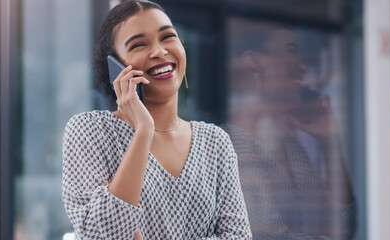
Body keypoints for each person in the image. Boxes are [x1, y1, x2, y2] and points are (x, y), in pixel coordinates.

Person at [61, 1, 252, 239]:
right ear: (116, 67)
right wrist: (143, 131)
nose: (160, 52)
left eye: (168, 37)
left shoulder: (215, 143)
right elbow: (101, 236)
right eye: (139, 44)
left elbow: (238, 237)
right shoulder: (90, 131)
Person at [223, 27, 356, 239]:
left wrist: (330, 144)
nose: (302, 67)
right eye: (292, 51)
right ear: (255, 61)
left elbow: (344, 227)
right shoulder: (232, 145)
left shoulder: (292, 147)